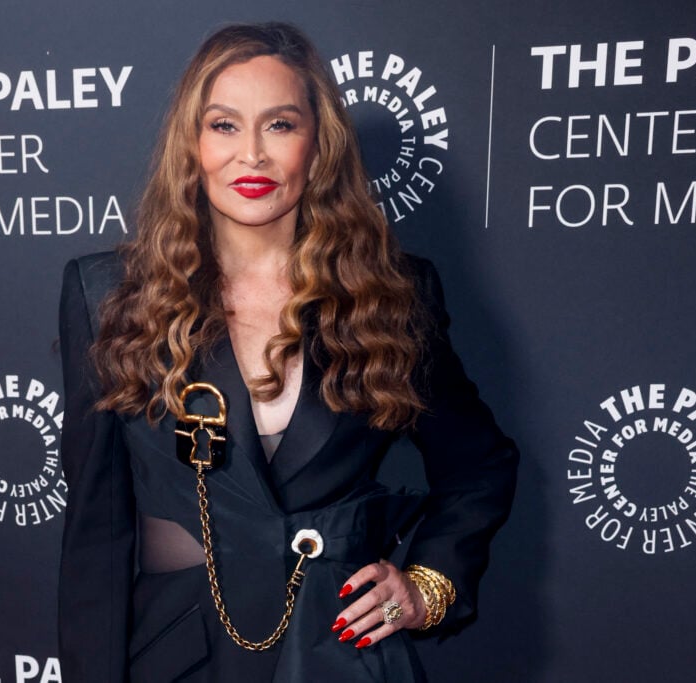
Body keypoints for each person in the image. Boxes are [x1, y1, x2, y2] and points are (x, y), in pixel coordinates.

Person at [58, 21, 518, 683]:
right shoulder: (106, 295)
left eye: (279, 125)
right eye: (223, 125)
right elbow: (96, 536)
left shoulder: (392, 293)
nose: (252, 155)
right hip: (178, 656)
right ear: (191, 143)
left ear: (318, 144)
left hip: (339, 656)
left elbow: (479, 464)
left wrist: (428, 583)